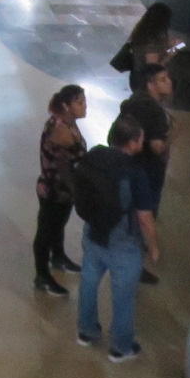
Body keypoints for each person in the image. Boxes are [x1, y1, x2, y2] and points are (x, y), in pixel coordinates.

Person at [73, 117, 159, 363]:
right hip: (123, 242)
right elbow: (144, 217)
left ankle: (86, 331)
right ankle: (121, 347)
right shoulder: (135, 172)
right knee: (123, 295)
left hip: (93, 232)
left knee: (89, 281)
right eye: (140, 138)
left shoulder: (95, 156)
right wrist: (153, 246)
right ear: (132, 143)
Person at [120, 63, 174, 284]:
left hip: (129, 168)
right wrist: (173, 136)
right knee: (144, 217)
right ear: (150, 84)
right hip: (149, 173)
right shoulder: (154, 111)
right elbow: (157, 146)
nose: (169, 82)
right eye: (163, 79)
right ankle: (136, 266)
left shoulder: (132, 102)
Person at [33, 84, 88, 296]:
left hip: (62, 190)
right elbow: (65, 169)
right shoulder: (62, 132)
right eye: (80, 103)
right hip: (55, 190)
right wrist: (76, 191)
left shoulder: (68, 121)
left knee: (58, 225)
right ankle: (42, 276)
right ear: (66, 106)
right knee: (46, 231)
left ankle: (58, 257)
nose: (85, 107)